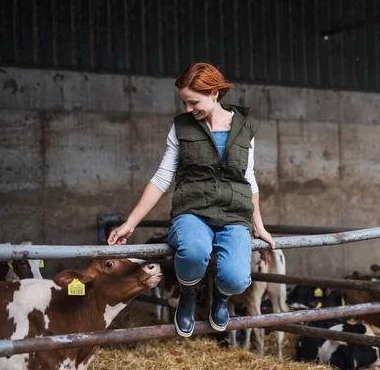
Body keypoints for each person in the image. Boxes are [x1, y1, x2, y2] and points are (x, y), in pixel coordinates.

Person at [108, 63, 275, 337]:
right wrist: (130, 223)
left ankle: (220, 299)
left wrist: (259, 224)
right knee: (194, 251)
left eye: (193, 102)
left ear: (215, 93)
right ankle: (187, 295)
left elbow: (249, 178)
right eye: (184, 102)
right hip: (192, 211)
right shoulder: (181, 128)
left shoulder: (245, 127)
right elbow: (162, 178)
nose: (188, 109)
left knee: (236, 279)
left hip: (234, 213)